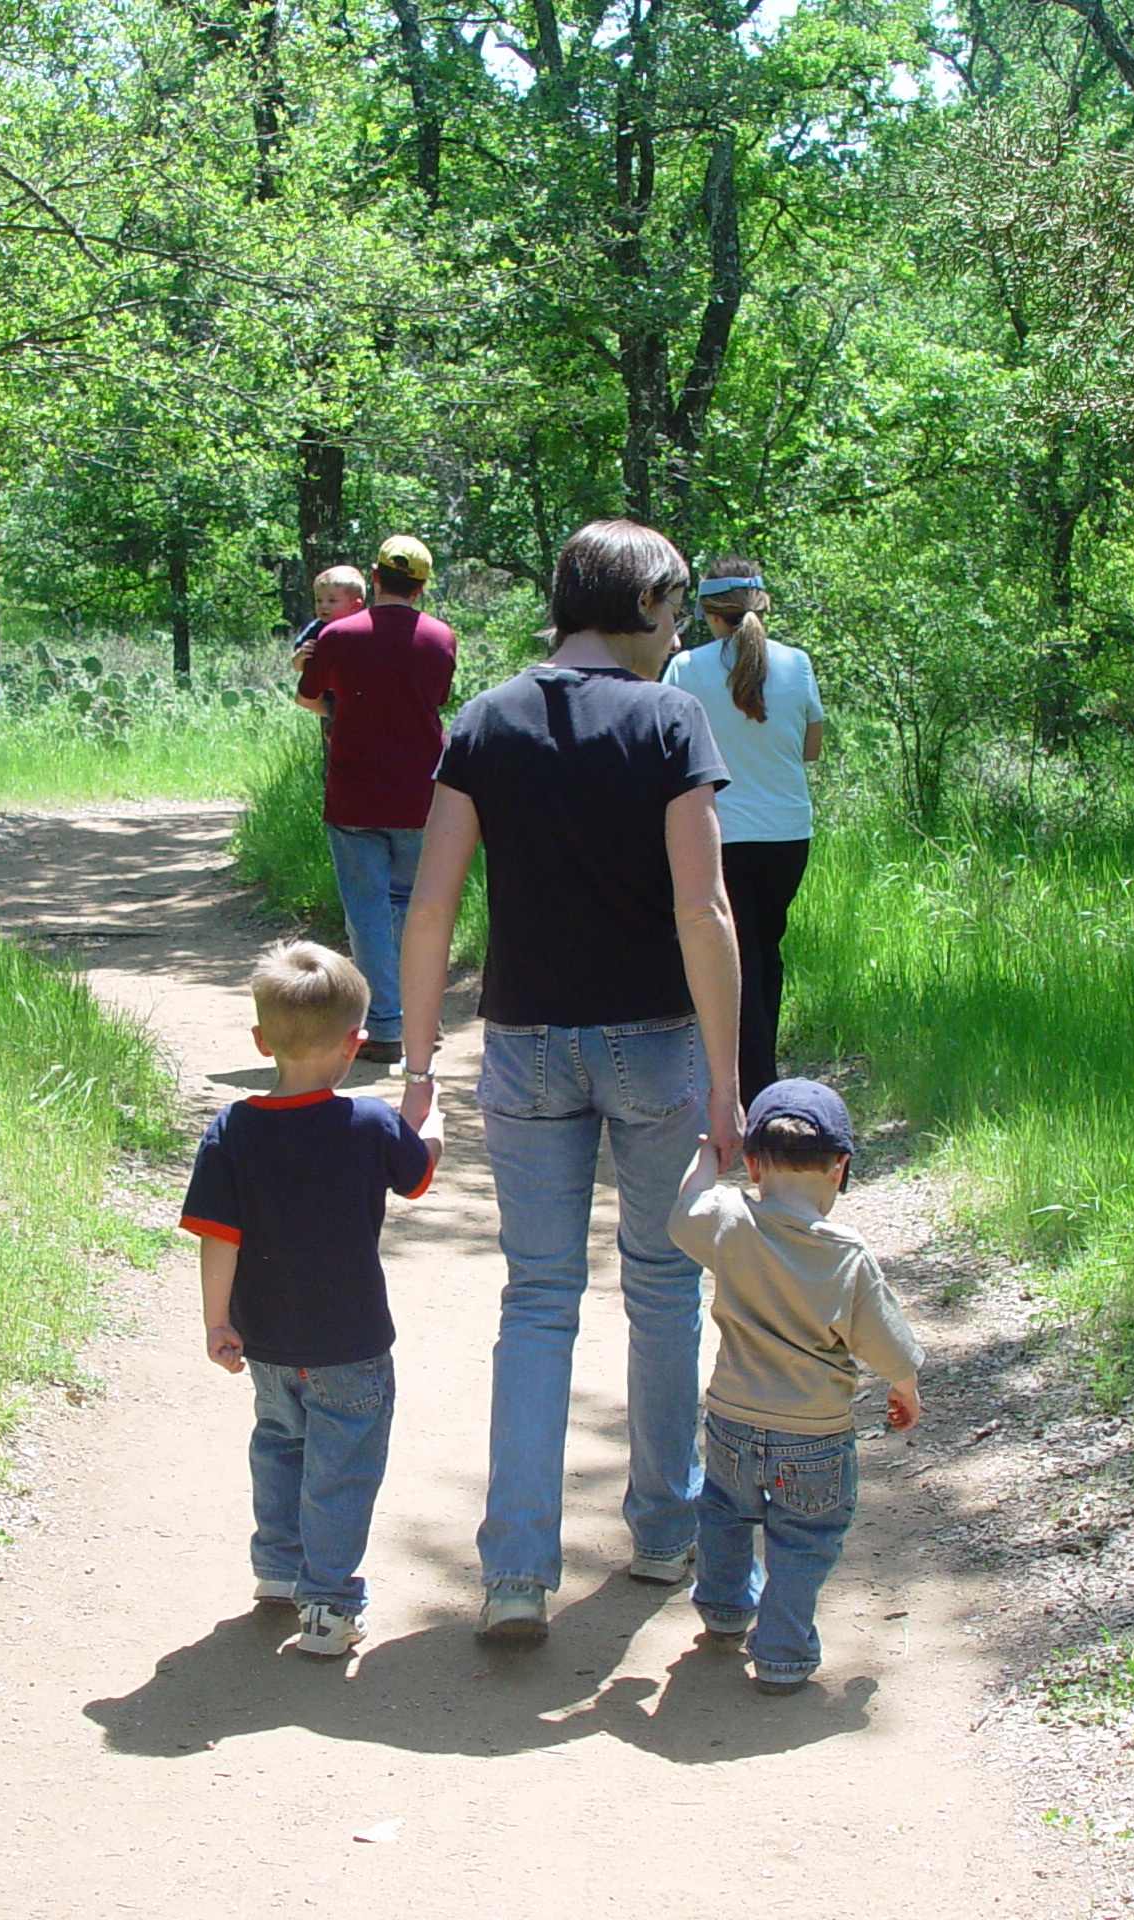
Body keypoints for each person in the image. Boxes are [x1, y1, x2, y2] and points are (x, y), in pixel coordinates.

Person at [395, 518, 744, 1644]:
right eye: (676, 608)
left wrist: (415, 1068)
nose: (680, 630)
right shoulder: (670, 720)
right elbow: (704, 909)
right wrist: (728, 1080)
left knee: (537, 1301)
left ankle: (512, 1571)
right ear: (643, 605)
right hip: (652, 1044)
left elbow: (431, 905)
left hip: (525, 1044)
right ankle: (659, 1529)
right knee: (661, 1287)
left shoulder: (485, 719)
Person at [179, 940, 444, 1658]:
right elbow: (418, 1175)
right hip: (351, 1341)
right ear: (356, 1045)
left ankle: (279, 1566)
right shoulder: (368, 1121)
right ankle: (327, 1603)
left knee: (280, 1444)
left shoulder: (232, 1130)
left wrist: (217, 1322)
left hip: (267, 1341)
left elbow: (217, 1238)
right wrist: (428, 1114)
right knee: (343, 1464)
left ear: (261, 1040)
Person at [667, 1078, 923, 1694]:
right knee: (804, 1537)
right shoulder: (849, 1257)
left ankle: (725, 1609)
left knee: (724, 1514)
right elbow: (883, 1342)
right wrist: (905, 1387)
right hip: (814, 1434)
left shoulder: (730, 1222)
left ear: (752, 1164)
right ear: (839, 1169)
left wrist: (707, 1158)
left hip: (732, 1417)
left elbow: (682, 1216)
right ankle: (782, 1653)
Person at [661, 558, 824, 1108]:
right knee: (764, 954)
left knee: (732, 959)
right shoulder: (797, 664)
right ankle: (758, 1076)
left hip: (718, 834)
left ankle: (746, 1084)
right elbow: (811, 747)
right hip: (787, 834)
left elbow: (669, 752)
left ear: (708, 612)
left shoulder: (685, 668)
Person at [294, 537, 456, 1068]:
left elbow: (308, 694)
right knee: (415, 909)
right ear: (422, 586)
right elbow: (434, 700)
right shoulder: (440, 637)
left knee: (368, 912)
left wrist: (338, 710)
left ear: (375, 577)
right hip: (421, 795)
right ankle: (418, 1023)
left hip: (354, 793)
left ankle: (385, 1025)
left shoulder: (338, 635)